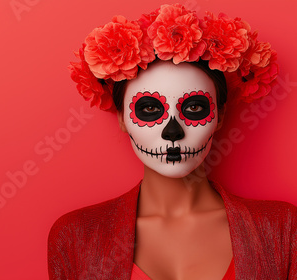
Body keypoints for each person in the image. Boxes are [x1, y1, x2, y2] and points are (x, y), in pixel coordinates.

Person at [48, 4, 296, 280]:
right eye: (150, 110)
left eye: (194, 109)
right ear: (121, 118)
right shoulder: (76, 235)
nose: (173, 132)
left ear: (220, 116)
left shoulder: (282, 229)